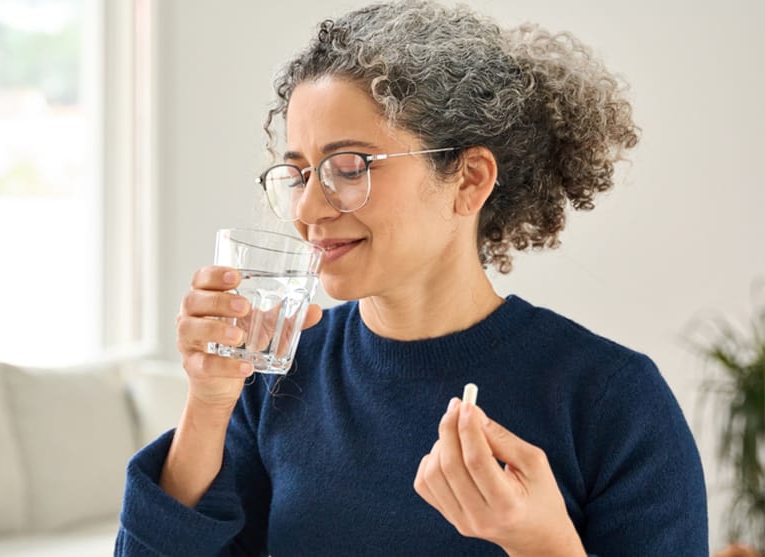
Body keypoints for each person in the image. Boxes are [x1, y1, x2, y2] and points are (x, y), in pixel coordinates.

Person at [116, 1, 708, 555]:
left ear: (470, 179)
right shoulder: (279, 372)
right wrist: (209, 400)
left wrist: (541, 542)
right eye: (298, 174)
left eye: (349, 167)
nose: (307, 209)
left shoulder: (612, 399)